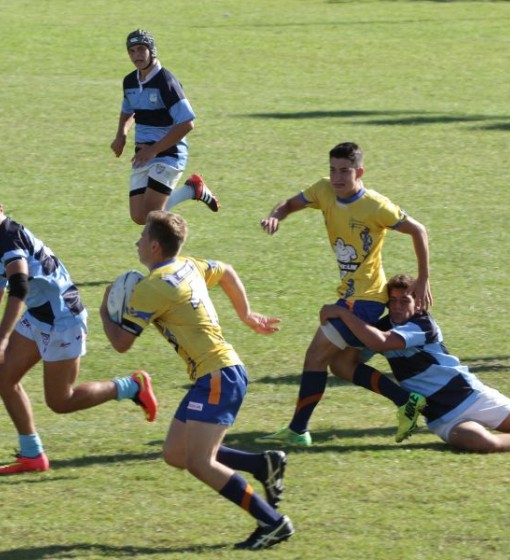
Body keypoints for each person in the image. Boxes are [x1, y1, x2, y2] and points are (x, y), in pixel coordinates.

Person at [99, 210, 294, 550]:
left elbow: (121, 343)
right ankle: (262, 464)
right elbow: (227, 271)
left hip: (219, 377)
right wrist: (246, 314)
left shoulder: (151, 288)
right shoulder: (188, 264)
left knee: (200, 462)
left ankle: (272, 522)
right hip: (215, 375)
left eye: (142, 237)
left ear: (155, 247)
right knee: (176, 453)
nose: (137, 242)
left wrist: (105, 310)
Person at [257, 141, 431, 446]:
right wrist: (276, 216)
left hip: (366, 300)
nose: (337, 177)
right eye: (333, 170)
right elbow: (289, 204)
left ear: (359, 172)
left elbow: (419, 230)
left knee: (315, 356)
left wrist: (423, 279)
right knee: (341, 366)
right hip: (350, 295)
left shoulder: (376, 206)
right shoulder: (323, 189)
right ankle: (406, 400)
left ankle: (298, 430)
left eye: (345, 171)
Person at [320, 274, 510, 453]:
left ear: (418, 303)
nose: (396, 307)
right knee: (480, 443)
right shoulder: (382, 327)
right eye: (391, 301)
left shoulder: (423, 325)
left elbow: (382, 343)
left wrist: (343, 314)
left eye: (404, 301)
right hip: (443, 419)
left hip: (473, 397)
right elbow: (344, 364)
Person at [0, 203, 157, 475]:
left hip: (63, 319)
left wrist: (2, 338)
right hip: (39, 314)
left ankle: (132, 386)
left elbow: (20, 286)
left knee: (61, 401)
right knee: (4, 377)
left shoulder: (7, 238)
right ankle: (32, 455)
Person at [110, 29, 219, 225]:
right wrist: (121, 135)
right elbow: (128, 110)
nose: (136, 55)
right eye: (132, 51)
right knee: (139, 217)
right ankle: (192, 190)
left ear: (152, 50)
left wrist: (154, 150)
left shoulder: (166, 82)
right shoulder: (130, 81)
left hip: (169, 153)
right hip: (143, 153)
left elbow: (187, 123)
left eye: (141, 49)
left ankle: (170, 237)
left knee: (152, 216)